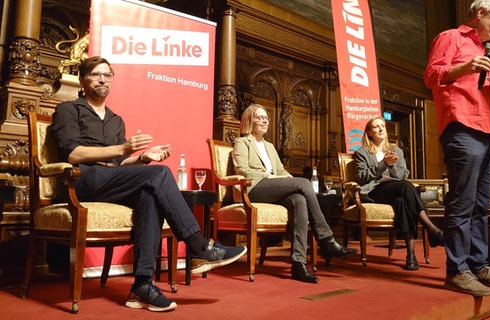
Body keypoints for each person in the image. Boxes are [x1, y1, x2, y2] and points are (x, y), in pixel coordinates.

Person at [50, 56, 247, 312]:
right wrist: (122, 147)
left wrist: (142, 158)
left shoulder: (115, 119)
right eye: (96, 74)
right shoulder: (68, 109)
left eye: (107, 75)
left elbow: (119, 163)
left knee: (149, 194)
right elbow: (72, 154)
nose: (102, 79)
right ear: (83, 79)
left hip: (110, 181)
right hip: (83, 180)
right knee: (161, 174)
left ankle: (141, 285)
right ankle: (198, 246)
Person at [424, 0, 490, 296]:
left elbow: (489, 96)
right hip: (462, 127)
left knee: (482, 205)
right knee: (463, 202)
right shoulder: (450, 38)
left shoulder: (489, 57)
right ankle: (457, 270)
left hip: (489, 131)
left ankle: (479, 265)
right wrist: (465, 66)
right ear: (480, 13)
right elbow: (431, 76)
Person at [232, 104, 357, 284]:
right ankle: (326, 240)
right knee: (304, 183)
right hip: (253, 189)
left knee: (299, 200)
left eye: (266, 117)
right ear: (249, 120)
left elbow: (281, 171)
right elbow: (242, 170)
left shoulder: (269, 146)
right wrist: (271, 176)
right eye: (259, 117)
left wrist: (288, 178)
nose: (264, 121)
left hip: (270, 187)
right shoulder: (242, 142)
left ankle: (298, 263)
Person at [353, 117, 445, 271]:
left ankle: (411, 255)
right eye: (376, 127)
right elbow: (361, 177)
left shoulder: (396, 150)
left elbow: (402, 175)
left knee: (402, 201)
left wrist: (392, 164)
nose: (381, 129)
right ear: (369, 132)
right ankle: (430, 227)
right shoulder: (362, 152)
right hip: (376, 191)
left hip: (397, 188)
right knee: (406, 187)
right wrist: (383, 164)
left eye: (383, 126)